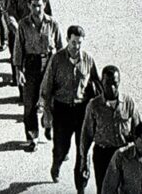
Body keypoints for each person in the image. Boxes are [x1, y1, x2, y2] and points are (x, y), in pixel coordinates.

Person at [41, 25, 103, 192]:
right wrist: (46, 112)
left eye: (80, 43)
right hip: (62, 111)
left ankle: (80, 187)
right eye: (74, 42)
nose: (76, 46)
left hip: (82, 111)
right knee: (62, 148)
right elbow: (46, 88)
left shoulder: (88, 60)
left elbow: (97, 84)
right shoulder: (56, 59)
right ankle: (57, 164)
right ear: (68, 40)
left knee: (83, 152)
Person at [13, 0, 64, 151]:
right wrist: (19, 70)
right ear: (29, 6)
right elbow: (18, 49)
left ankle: (50, 128)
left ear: (44, 6)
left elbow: (60, 47)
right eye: (33, 6)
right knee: (29, 103)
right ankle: (32, 137)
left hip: (49, 64)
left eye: (39, 6)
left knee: (54, 102)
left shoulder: (53, 24)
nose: (37, 9)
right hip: (31, 65)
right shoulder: (23, 25)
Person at [80, 65, 141, 194]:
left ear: (119, 82)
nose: (112, 87)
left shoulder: (129, 103)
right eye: (108, 83)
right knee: (103, 190)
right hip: (103, 155)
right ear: (102, 82)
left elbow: (138, 132)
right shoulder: (94, 105)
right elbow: (86, 135)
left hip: (123, 154)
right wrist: (84, 160)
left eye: (115, 83)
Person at [5, 0, 52, 91]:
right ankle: (22, 91)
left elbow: (49, 15)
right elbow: (10, 13)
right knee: (18, 59)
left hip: (37, 36)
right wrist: (16, 27)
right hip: (18, 33)